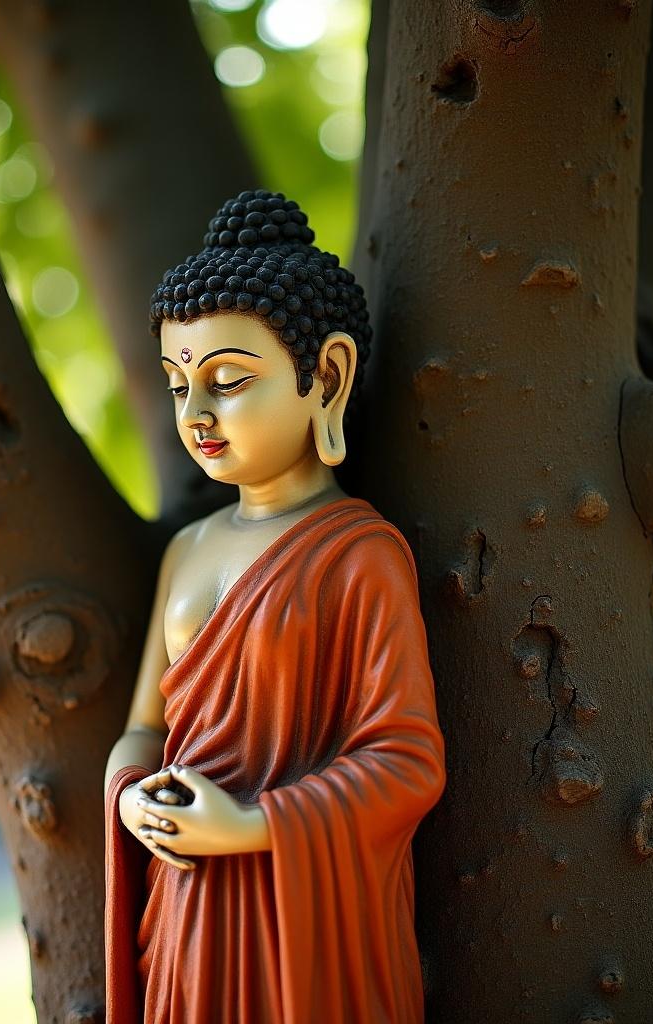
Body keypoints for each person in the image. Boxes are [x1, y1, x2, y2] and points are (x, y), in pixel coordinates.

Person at [103, 190, 446, 1023]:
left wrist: (255, 825)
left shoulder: (359, 554)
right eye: (179, 383)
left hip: (300, 910)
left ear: (324, 376)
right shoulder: (187, 552)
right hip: (187, 902)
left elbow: (406, 760)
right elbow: (145, 727)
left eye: (228, 381)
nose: (196, 415)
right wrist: (129, 795)